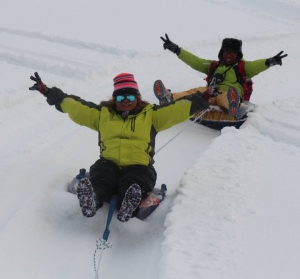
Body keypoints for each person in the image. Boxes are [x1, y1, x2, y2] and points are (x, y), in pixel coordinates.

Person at [29, 72, 209, 222]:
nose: (125, 100)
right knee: (100, 178)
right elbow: (75, 106)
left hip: (139, 166)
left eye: (130, 96)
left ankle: (128, 204)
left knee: (134, 183)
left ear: (137, 97)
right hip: (108, 163)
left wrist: (205, 97)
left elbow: (179, 108)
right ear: (114, 99)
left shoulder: (152, 115)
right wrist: (48, 92)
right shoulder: (102, 115)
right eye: (121, 96)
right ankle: (92, 199)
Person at [154, 34, 288, 117]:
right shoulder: (214, 66)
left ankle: (233, 106)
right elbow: (195, 61)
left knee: (228, 94)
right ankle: (169, 97)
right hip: (211, 93)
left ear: (238, 54)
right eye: (226, 52)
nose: (228, 55)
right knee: (197, 91)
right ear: (222, 53)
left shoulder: (242, 66)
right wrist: (177, 50)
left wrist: (270, 61)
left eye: (232, 53)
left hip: (229, 93)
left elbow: (257, 65)